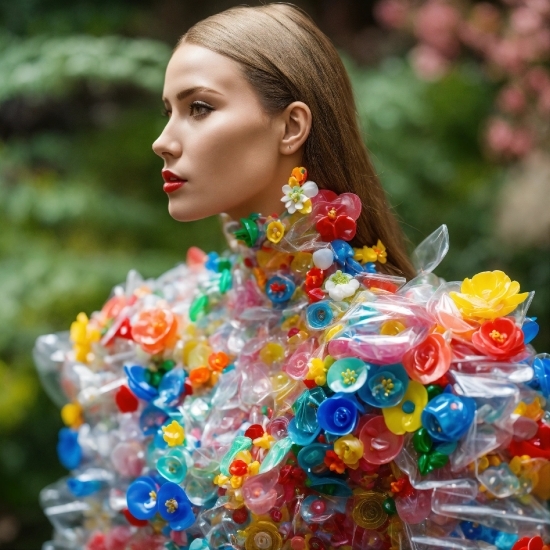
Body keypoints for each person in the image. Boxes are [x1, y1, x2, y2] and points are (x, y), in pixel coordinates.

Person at [35, 4, 549, 550]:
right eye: (169, 111)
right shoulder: (159, 331)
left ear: (292, 126)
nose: (164, 139)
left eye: (199, 108)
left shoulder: (407, 349)